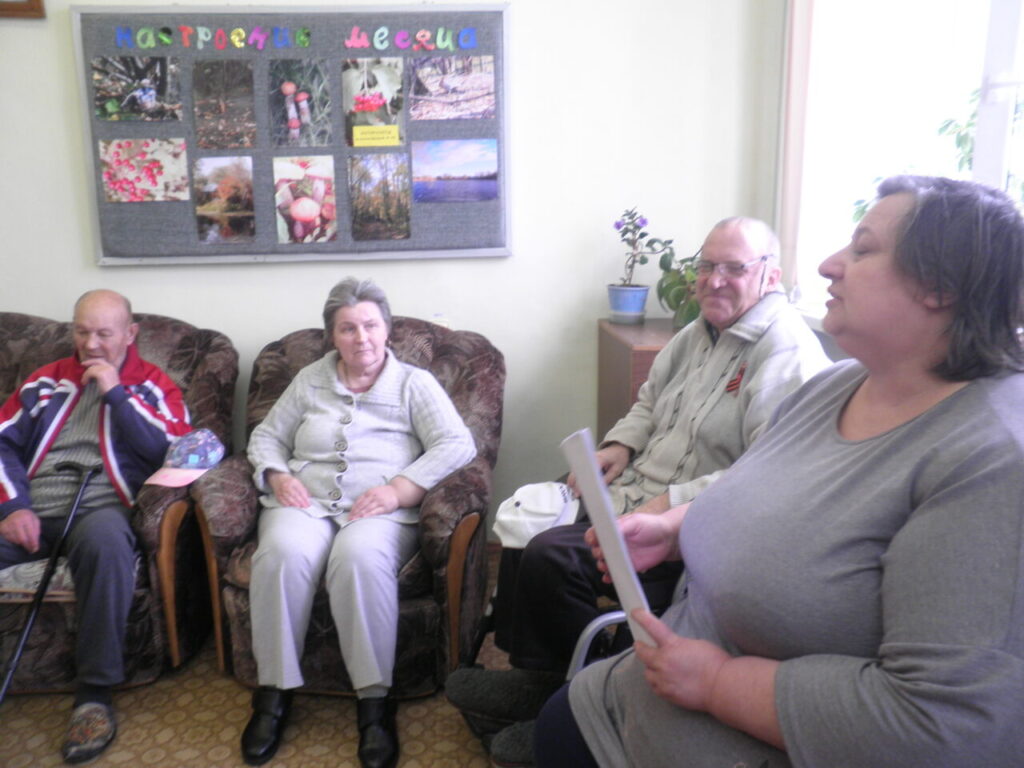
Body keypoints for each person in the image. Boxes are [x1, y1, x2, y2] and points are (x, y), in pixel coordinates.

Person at [536, 175, 1024, 768]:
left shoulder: (991, 460)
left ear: (940, 286)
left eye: (863, 250)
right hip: (626, 703)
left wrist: (719, 684)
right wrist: (674, 530)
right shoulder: (837, 387)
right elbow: (755, 486)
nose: (828, 265)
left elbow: (939, 728)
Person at [447, 217, 832, 765]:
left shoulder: (784, 351)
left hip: (691, 525)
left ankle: (582, 692)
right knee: (529, 512)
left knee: (553, 553)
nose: (714, 280)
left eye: (734, 268)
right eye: (707, 266)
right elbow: (648, 403)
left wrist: (670, 506)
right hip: (636, 486)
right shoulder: (696, 333)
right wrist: (618, 446)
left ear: (770, 275)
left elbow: (767, 471)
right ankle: (534, 671)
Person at [240, 277, 477, 768]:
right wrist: (277, 475)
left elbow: (457, 443)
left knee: (359, 561)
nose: (361, 337)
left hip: (379, 509)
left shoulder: (413, 383)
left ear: (387, 329)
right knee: (280, 555)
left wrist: (400, 489)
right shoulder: (309, 380)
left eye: (370, 325)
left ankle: (374, 702)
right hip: (305, 501)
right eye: (348, 328)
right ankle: (274, 693)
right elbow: (266, 438)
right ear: (332, 335)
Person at [0, 290, 192, 764]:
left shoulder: (153, 385)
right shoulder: (45, 381)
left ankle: (94, 696)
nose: (90, 344)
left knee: (107, 542)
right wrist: (13, 507)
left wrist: (116, 394)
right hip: (33, 511)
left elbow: (173, 450)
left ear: (130, 334)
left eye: (104, 334)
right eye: (82, 332)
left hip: (101, 510)